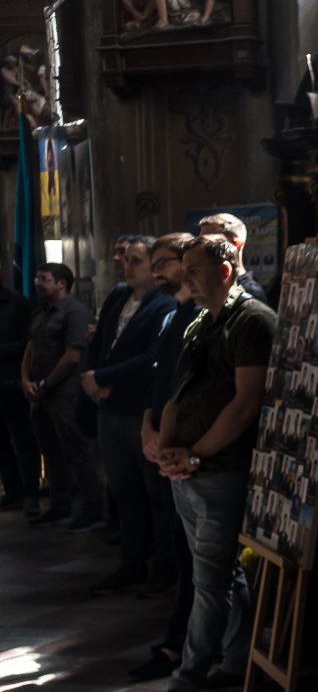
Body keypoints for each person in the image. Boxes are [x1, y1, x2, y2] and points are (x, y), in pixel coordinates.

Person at [146, 235, 275, 692]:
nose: (186, 280)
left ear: (225, 270)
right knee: (223, 575)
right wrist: (166, 447)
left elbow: (246, 404)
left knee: (209, 581)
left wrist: (195, 457)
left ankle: (186, 683)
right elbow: (179, 391)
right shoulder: (201, 320)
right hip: (186, 470)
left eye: (195, 270)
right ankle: (240, 660)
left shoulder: (253, 321)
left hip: (221, 471)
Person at [131, 233, 206, 680]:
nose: (157, 271)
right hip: (164, 440)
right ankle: (180, 640)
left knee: (198, 560)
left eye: (164, 262)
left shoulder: (203, 313)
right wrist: (147, 424)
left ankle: (185, 647)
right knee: (182, 552)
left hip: (190, 450)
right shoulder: (175, 312)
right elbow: (159, 376)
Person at [83, 234, 175, 593]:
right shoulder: (119, 296)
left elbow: (153, 356)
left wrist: (103, 378)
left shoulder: (164, 304)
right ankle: (131, 564)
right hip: (110, 410)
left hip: (140, 410)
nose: (128, 266)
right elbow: (100, 341)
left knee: (155, 493)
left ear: (155, 268)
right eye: (127, 260)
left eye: (138, 260)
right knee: (124, 492)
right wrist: (91, 376)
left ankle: (163, 569)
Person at [21, 263, 102, 529]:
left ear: (61, 284)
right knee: (50, 451)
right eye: (37, 277)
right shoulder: (41, 312)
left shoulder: (75, 312)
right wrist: (26, 380)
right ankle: (60, 504)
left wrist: (45, 384)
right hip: (41, 393)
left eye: (43, 278)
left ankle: (93, 509)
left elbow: (72, 356)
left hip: (65, 393)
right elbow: (31, 348)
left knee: (76, 451)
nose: (36, 282)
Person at [0, 278, 39, 513]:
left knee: (23, 439)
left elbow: (29, 342)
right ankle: (12, 490)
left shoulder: (15, 303)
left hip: (11, 383)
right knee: (1, 442)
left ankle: (31, 492)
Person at [198, 213, 267, 303]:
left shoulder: (250, 294)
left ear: (236, 243)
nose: (201, 248)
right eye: (200, 242)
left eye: (210, 243)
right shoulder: (206, 288)